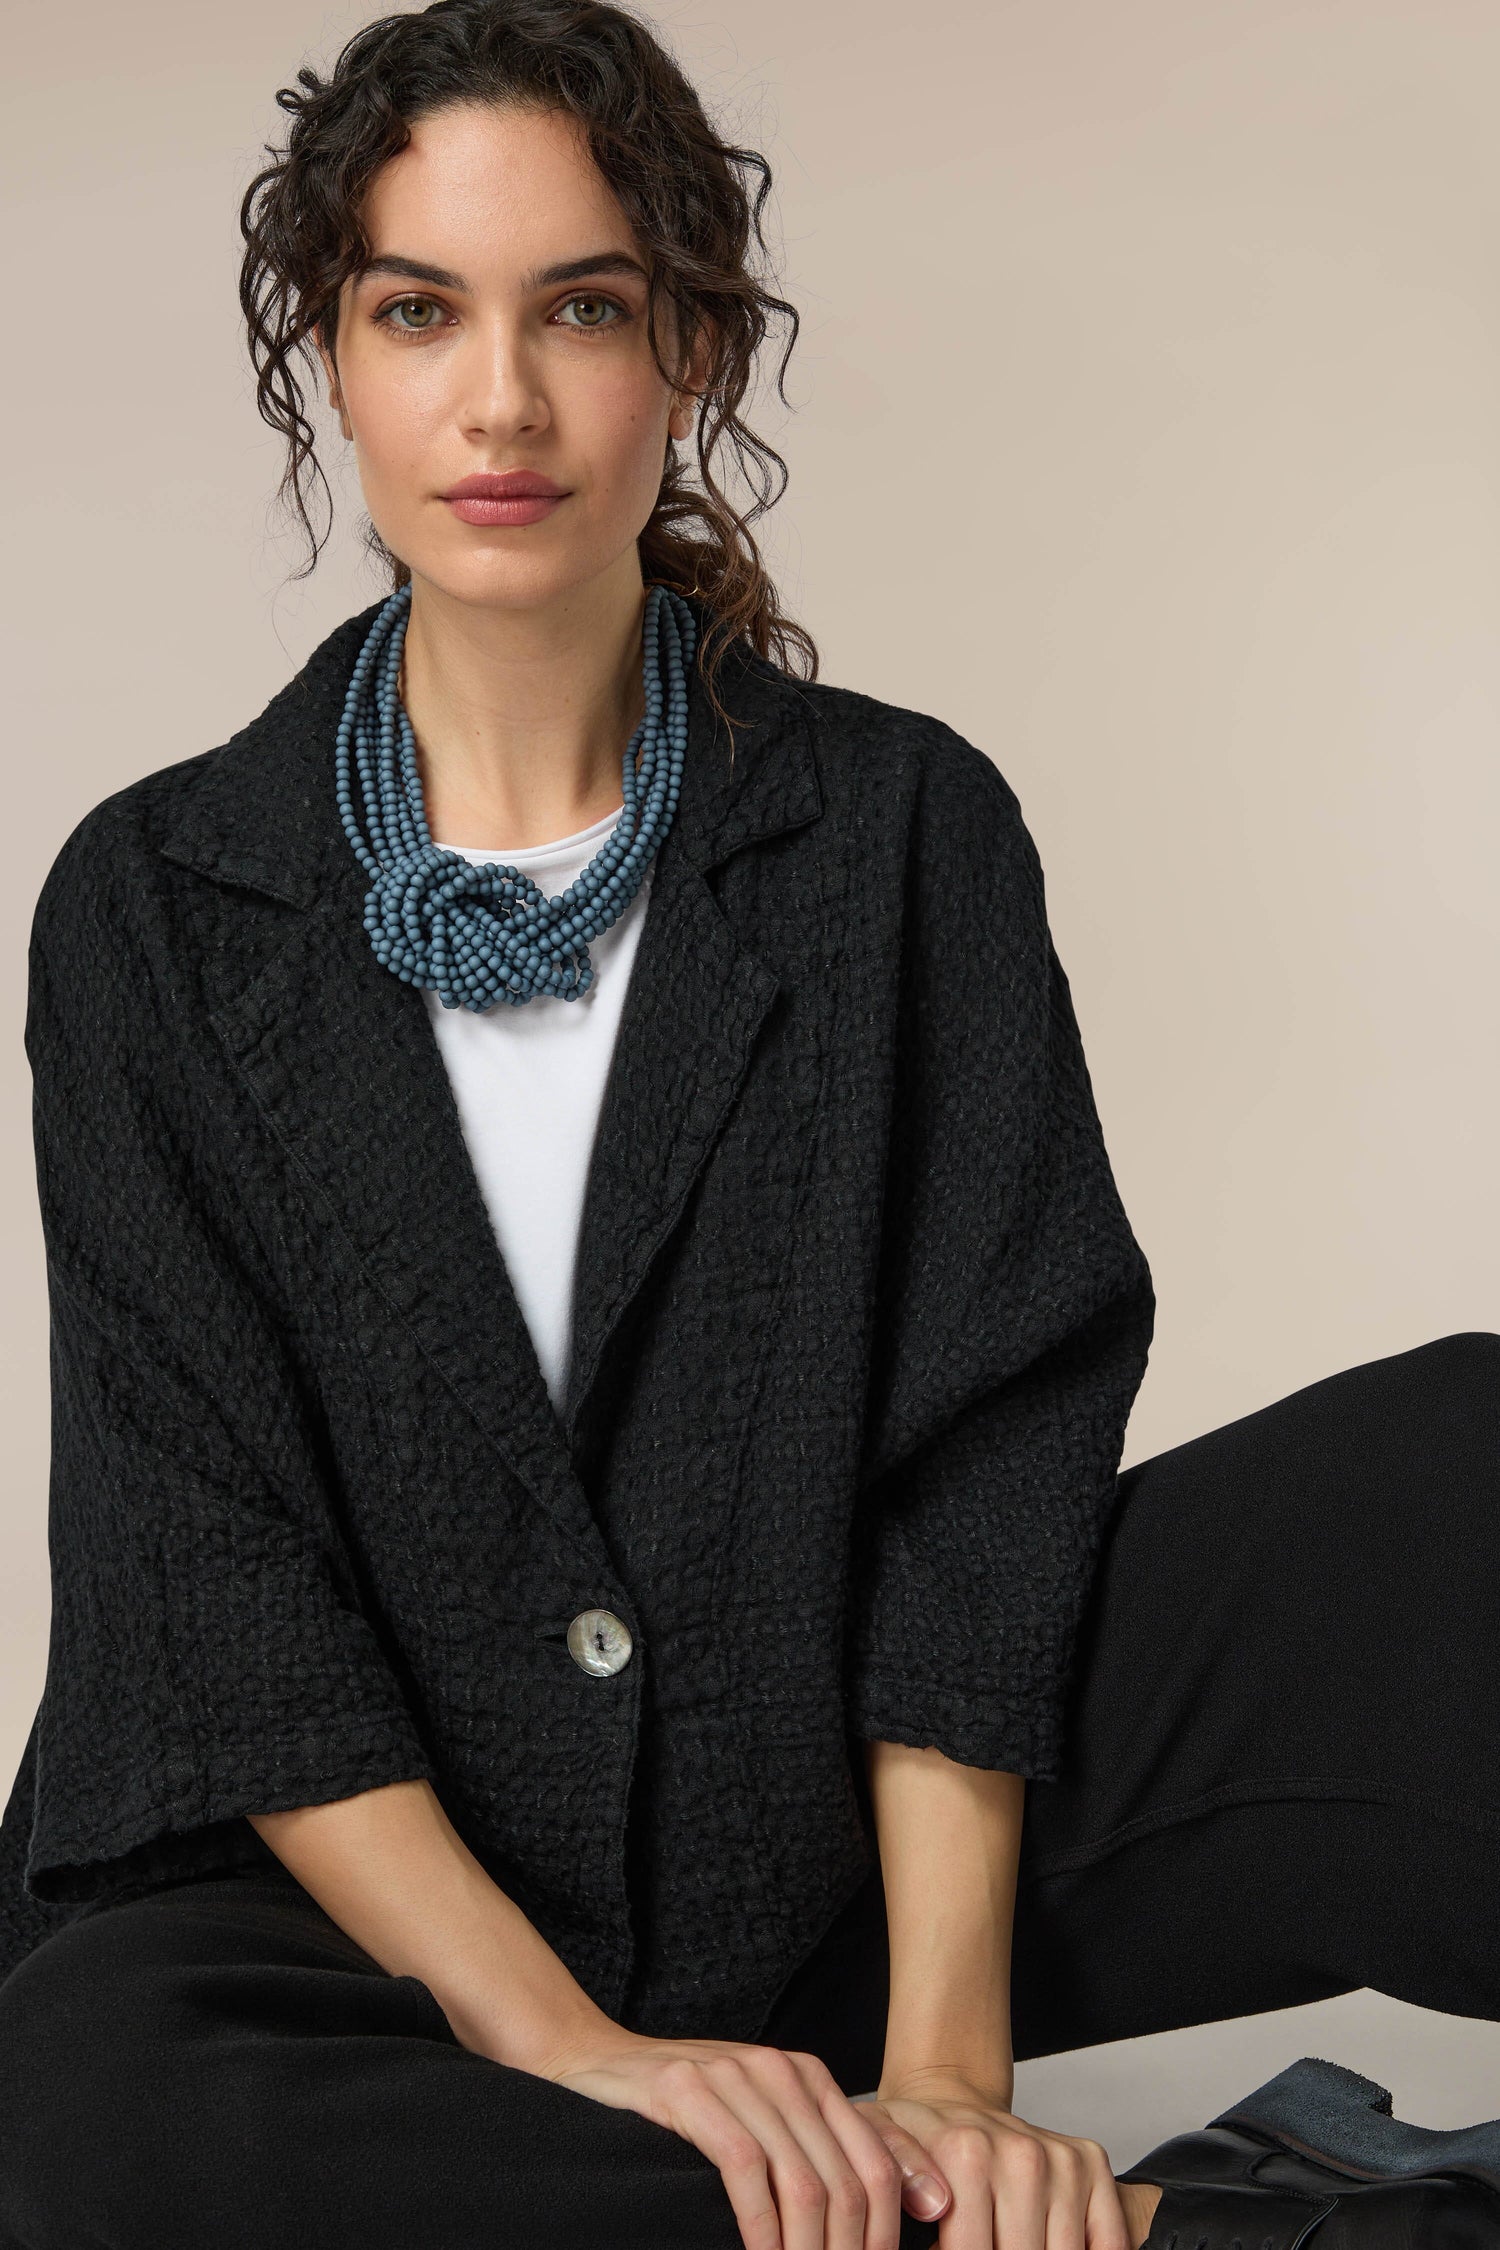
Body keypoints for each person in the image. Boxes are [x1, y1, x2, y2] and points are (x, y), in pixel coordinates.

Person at [1, 5, 1496, 2248]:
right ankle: (1250, 2228)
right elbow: (214, 1594)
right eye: (419, 310)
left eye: (581, 310)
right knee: (93, 2108)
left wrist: (946, 2069)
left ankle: (812, 2174)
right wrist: (583, 2054)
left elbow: (990, 1472)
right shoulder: (152, 905)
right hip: (362, 1936)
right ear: (332, 352)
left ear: (687, 349)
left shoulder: (903, 830)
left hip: (806, 1845)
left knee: (1455, 1495)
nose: (500, 401)